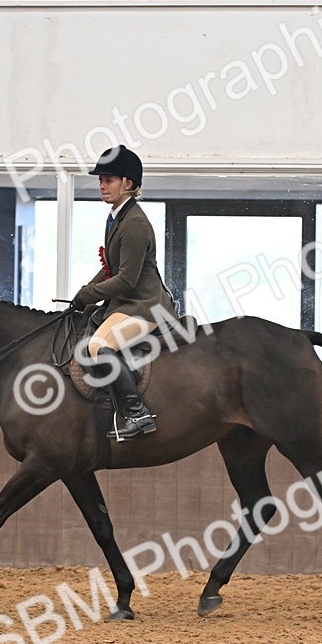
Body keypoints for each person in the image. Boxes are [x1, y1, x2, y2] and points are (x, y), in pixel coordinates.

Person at [69, 145, 180, 441]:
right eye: (101, 180)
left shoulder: (134, 224)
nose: (102, 186)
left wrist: (89, 294)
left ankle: (136, 413)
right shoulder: (117, 217)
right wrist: (84, 294)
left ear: (128, 184)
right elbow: (110, 268)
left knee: (97, 346)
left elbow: (127, 280)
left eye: (109, 180)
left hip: (144, 305)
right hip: (126, 303)